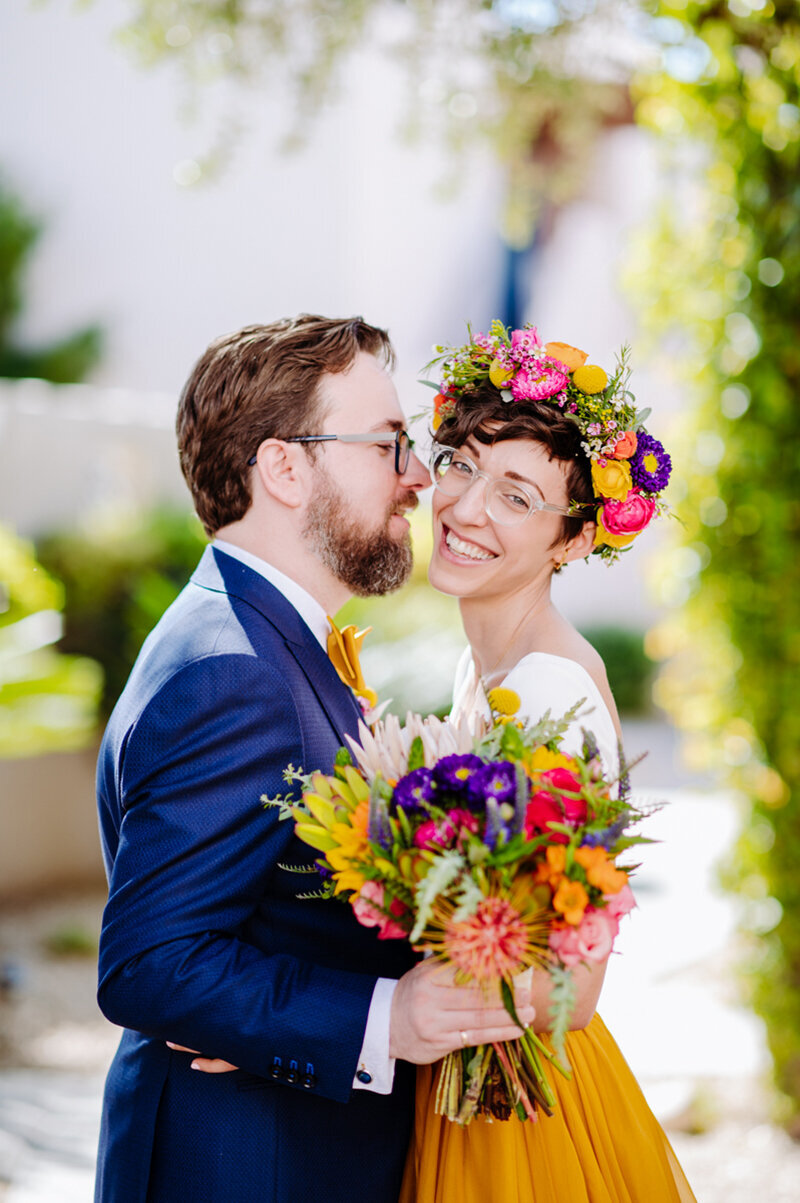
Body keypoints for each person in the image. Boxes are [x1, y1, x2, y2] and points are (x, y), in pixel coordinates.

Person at [93, 315, 534, 1203]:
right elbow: (150, 962)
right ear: (285, 466)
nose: (418, 478)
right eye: (388, 445)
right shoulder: (235, 668)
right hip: (243, 1164)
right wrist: (384, 1018)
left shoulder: (264, 636)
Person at [399, 323, 695, 1202]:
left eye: (518, 496)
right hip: (463, 1064)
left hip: (517, 1113)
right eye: (461, 463)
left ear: (571, 541)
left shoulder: (547, 694)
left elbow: (572, 983)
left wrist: (380, 1020)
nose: (466, 507)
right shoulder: (483, 667)